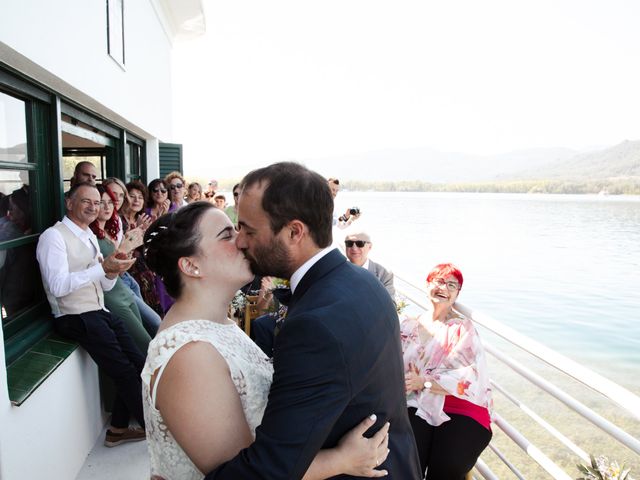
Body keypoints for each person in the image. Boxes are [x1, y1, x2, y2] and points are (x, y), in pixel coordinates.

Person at [142, 202, 390, 479]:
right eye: (226, 235)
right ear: (191, 265)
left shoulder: (220, 325)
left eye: (238, 230)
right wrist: (341, 460)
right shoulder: (190, 355)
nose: (243, 240)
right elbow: (238, 471)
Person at [206, 162, 421, 479]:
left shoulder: (316, 325)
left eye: (249, 230)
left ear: (294, 232)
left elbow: (272, 467)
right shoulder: (365, 284)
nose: (239, 241)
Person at [36, 182, 146, 446]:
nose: (93, 207)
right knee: (125, 372)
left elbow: (103, 284)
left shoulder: (88, 235)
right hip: (74, 316)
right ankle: (158, 433)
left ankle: (118, 429)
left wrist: (113, 271)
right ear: (69, 202)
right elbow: (57, 286)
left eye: (97, 203)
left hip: (99, 310)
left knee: (140, 364)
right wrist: (102, 269)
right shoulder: (53, 237)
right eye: (86, 201)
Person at [401, 263, 492, 479]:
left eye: (452, 285)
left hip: (461, 407)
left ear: (457, 294)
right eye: (439, 281)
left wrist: (423, 382)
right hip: (418, 402)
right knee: (408, 461)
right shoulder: (407, 325)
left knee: (446, 469)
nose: (444, 288)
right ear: (427, 285)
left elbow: (466, 378)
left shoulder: (462, 328)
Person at [90, 185, 151, 353]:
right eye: (102, 202)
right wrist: (124, 248)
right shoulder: (90, 236)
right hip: (112, 299)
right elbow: (100, 273)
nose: (108, 206)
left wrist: (128, 249)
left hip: (124, 291)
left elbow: (120, 271)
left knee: (143, 345)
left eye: (111, 202)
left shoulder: (107, 232)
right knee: (145, 345)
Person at [123, 180, 164, 318]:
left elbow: (148, 248)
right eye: (132, 196)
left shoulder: (142, 218)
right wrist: (138, 230)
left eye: (140, 197)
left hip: (145, 268)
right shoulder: (119, 220)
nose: (136, 200)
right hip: (128, 270)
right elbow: (124, 248)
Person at [344, 230, 395, 299]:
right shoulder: (335, 271)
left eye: (360, 243)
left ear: (370, 246)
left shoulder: (384, 274)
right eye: (349, 243)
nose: (354, 248)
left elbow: (390, 305)